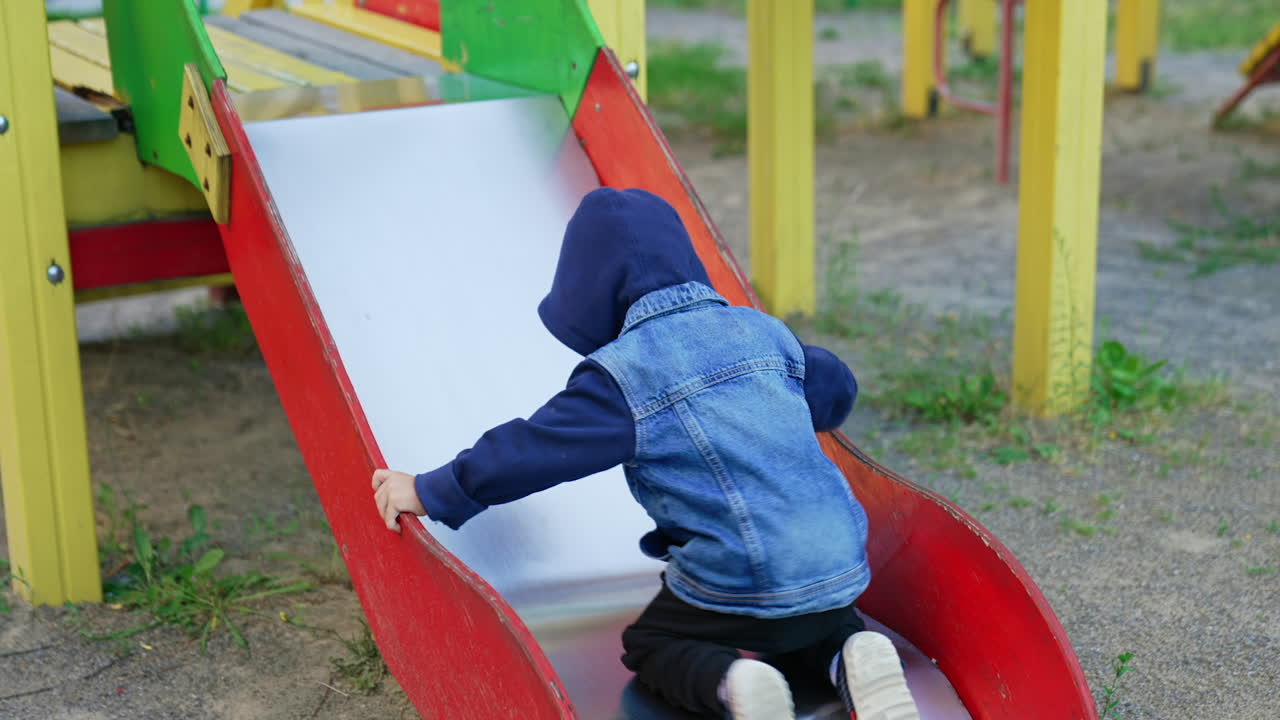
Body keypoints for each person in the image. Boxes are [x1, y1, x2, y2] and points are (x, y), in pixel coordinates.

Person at [371, 188, 919, 720]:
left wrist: (429, 488)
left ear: (587, 291)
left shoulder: (624, 376)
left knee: (654, 641)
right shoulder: (762, 332)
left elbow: (533, 449)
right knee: (810, 620)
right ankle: (851, 654)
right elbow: (835, 388)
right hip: (839, 564)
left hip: (736, 577)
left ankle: (734, 684)